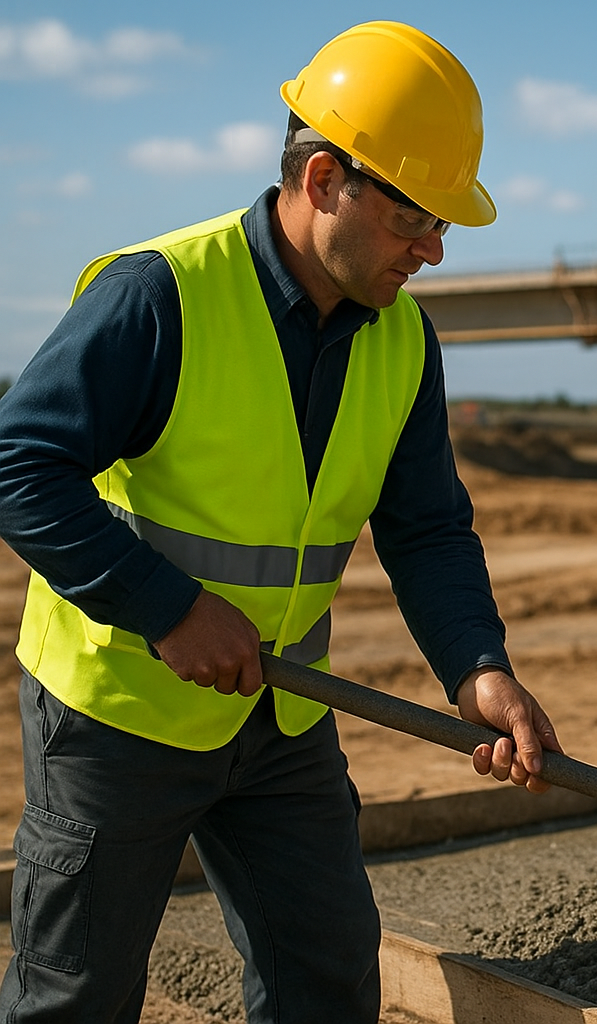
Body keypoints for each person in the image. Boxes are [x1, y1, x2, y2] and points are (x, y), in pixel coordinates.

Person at [0, 21, 559, 1022]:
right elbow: (19, 464)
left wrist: (477, 665)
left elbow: (427, 527)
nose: (433, 251)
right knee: (72, 997)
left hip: (282, 721)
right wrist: (166, 607)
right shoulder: (160, 296)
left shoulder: (401, 344)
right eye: (414, 219)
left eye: (443, 226)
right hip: (119, 715)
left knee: (327, 980)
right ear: (323, 182)